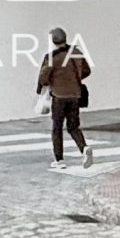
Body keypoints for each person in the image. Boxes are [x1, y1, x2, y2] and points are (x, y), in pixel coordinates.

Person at [36, 26, 92, 169]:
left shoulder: (51, 57)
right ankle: (84, 148)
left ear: (53, 41)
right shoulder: (76, 52)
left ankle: (59, 160)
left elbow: (43, 78)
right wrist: (74, 79)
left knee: (57, 128)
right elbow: (86, 70)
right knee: (73, 126)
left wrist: (47, 86)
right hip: (75, 95)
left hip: (59, 96)